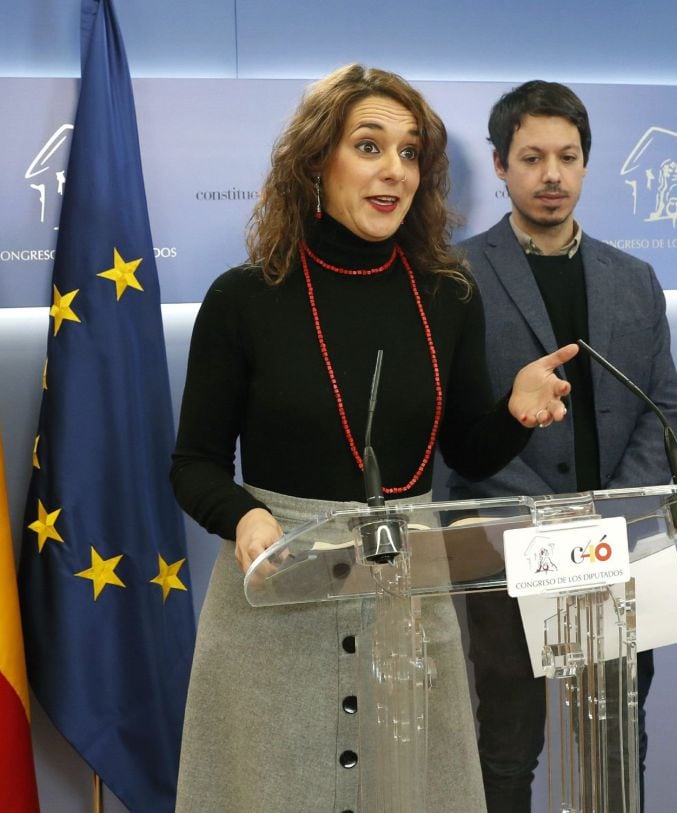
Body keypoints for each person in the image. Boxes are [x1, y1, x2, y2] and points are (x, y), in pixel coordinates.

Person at [169, 64, 579, 812]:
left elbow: (466, 451)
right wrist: (244, 515)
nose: (394, 169)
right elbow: (193, 464)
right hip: (277, 610)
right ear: (316, 161)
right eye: (369, 146)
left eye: (411, 152)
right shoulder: (243, 299)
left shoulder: (448, 295)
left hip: (404, 602)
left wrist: (516, 412)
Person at [449, 81, 677, 812]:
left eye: (568, 156)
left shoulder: (635, 280)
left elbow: (664, 406)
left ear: (585, 165)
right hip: (504, 543)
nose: (551, 174)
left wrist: (615, 508)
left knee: (617, 741)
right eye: (531, 157)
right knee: (509, 746)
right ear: (499, 165)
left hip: (613, 544)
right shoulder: (453, 277)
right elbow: (448, 424)